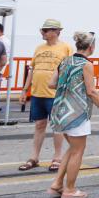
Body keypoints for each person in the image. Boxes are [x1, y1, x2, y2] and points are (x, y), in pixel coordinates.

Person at [47, 32, 99, 198]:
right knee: (78, 151)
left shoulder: (65, 61)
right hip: (76, 112)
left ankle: (57, 184)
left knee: (72, 149)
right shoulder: (86, 64)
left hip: (60, 111)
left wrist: (68, 87)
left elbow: (52, 83)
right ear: (92, 47)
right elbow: (91, 91)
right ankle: (69, 190)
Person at [19, 19, 72, 172]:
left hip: (55, 94)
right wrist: (24, 90)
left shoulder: (66, 48)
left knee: (57, 126)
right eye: (42, 30)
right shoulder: (38, 48)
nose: (43, 32)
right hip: (37, 93)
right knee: (39, 125)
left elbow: (69, 71)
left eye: (46, 30)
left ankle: (57, 158)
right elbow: (32, 70)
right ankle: (34, 157)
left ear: (57, 32)